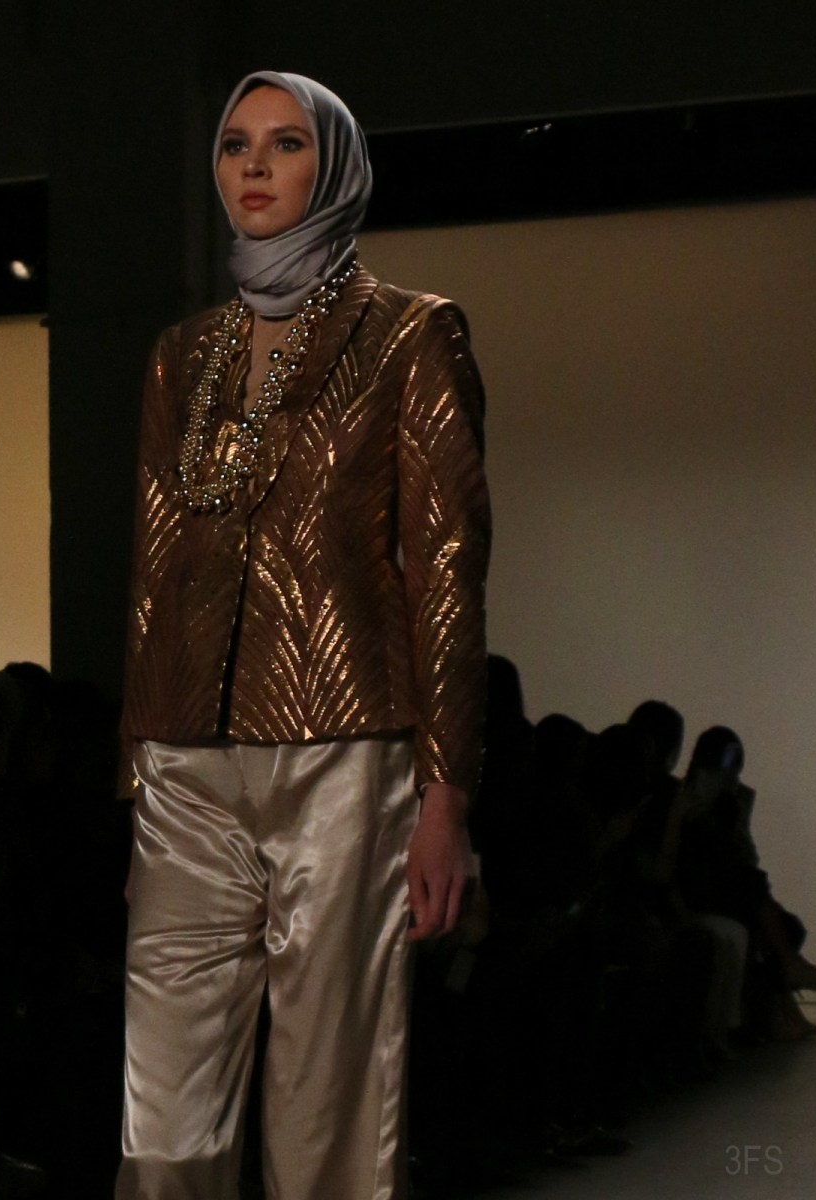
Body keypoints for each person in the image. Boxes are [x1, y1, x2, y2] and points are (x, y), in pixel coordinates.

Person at [115, 70, 491, 1200]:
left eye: (285, 144)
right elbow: (154, 572)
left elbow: (445, 571)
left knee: (327, 1099)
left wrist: (444, 797)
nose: (254, 165)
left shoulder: (410, 333)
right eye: (236, 144)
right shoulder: (182, 355)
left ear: (334, 167)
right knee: (162, 1108)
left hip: (346, 752)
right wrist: (135, 774)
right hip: (183, 764)